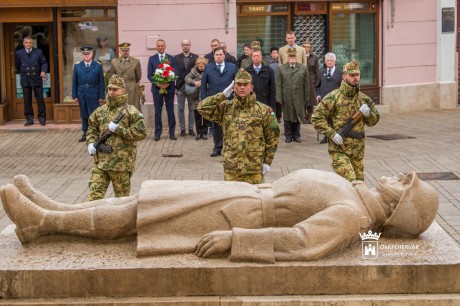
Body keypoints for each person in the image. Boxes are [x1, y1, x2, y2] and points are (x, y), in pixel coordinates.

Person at [1, 169, 439, 264]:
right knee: (141, 198)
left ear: (398, 208)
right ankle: (57, 209)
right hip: (237, 193)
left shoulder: (351, 215)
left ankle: (44, 223)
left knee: (139, 214)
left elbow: (303, 243)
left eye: (405, 183)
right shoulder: (356, 195)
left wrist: (238, 240)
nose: (396, 176)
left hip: (239, 212)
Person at [198, 68, 280, 183]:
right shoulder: (225, 108)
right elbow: (202, 108)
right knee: (232, 200)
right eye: (239, 84)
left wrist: (267, 161)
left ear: (251, 87)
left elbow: (273, 137)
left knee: (255, 200)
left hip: (254, 168)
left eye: (245, 84)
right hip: (232, 168)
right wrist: (222, 95)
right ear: (234, 87)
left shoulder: (263, 110)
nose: (242, 87)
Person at [312, 60, 380, 182]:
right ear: (344, 76)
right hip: (339, 148)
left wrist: (368, 114)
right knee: (350, 180)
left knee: (359, 184)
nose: (355, 78)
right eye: (352, 75)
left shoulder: (364, 99)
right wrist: (332, 134)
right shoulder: (333, 97)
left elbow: (373, 121)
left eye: (357, 75)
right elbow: (316, 118)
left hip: (358, 150)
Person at [86, 74, 147, 201]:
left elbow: (141, 132)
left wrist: (119, 130)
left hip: (121, 165)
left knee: (121, 201)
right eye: (109, 89)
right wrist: (91, 143)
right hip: (101, 163)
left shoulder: (131, 111)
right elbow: (92, 128)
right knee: (93, 198)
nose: (111, 92)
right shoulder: (100, 110)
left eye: (115, 89)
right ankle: (93, 220)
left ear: (123, 91)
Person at [200, 47, 237, 157]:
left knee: (230, 125)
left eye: (221, 54)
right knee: (215, 126)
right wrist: (205, 100)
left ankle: (230, 148)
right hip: (215, 102)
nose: (219, 56)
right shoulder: (209, 68)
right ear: (214, 56)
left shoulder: (232, 67)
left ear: (224, 55)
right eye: (217, 55)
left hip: (229, 101)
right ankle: (217, 148)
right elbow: (203, 85)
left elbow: (237, 83)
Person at [276, 48, 310, 143]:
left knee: (297, 115)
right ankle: (288, 135)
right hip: (286, 96)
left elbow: (307, 84)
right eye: (290, 56)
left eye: (293, 56)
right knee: (287, 116)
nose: (292, 57)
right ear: (287, 57)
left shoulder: (303, 68)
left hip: (299, 96)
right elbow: (278, 84)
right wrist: (279, 97)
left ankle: (296, 135)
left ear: (296, 56)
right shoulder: (281, 68)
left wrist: (306, 97)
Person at [71, 46, 105, 142]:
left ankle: (95, 133)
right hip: (82, 93)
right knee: (84, 114)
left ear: (92, 54)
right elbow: (74, 82)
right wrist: (74, 95)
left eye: (88, 53)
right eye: (84, 54)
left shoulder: (98, 66)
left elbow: (101, 82)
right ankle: (85, 133)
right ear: (82, 55)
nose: (86, 55)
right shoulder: (77, 66)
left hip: (94, 93)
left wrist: (101, 95)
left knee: (94, 114)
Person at [147, 39, 177, 141]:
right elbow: (149, 75)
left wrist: (167, 82)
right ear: (156, 47)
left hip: (169, 88)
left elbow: (175, 73)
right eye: (158, 46)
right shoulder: (152, 59)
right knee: (157, 111)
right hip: (156, 89)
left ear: (165, 46)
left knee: (170, 111)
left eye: (162, 46)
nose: (160, 47)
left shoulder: (171, 58)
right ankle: (157, 133)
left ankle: (172, 133)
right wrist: (158, 83)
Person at [15, 36, 48, 126]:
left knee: (40, 99)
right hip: (25, 78)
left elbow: (44, 63)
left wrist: (43, 71)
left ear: (32, 43)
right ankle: (29, 119)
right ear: (23, 43)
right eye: (27, 42)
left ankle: (42, 118)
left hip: (36, 78)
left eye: (30, 42)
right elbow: (17, 66)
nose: (28, 44)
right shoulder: (19, 53)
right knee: (27, 100)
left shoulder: (38, 52)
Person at [174, 39, 199, 137]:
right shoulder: (176, 58)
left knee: (191, 108)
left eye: (187, 44)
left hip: (191, 87)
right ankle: (182, 129)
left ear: (190, 45)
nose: (185, 46)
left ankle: (191, 128)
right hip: (180, 86)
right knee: (180, 108)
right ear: (181, 46)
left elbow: (198, 71)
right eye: (183, 45)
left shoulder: (195, 57)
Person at [108, 42, 142, 112]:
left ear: (129, 51)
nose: (125, 52)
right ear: (120, 51)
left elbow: (138, 76)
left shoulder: (135, 61)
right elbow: (111, 77)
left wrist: (131, 83)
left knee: (132, 110)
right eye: (123, 50)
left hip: (132, 89)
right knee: (119, 110)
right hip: (118, 89)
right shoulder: (114, 62)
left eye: (126, 50)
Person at [185, 57, 209, 140]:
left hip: (205, 95)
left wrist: (203, 83)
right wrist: (194, 82)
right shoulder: (193, 71)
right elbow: (186, 78)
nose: (200, 68)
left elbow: (212, 81)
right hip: (195, 97)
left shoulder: (208, 71)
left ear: (205, 65)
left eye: (202, 66)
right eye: (199, 66)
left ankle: (205, 133)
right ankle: (199, 133)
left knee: (205, 116)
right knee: (197, 116)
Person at [303, 41, 320, 124]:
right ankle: (303, 117)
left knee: (311, 99)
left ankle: (309, 117)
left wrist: (317, 80)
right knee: (303, 99)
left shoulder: (314, 57)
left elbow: (317, 69)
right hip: (302, 79)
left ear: (310, 48)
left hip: (311, 79)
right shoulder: (300, 56)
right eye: (305, 47)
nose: (306, 48)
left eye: (308, 47)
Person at [268, 47, 282, 123]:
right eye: (273, 53)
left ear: (278, 54)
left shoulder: (280, 63)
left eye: (276, 53)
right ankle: (272, 116)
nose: (274, 54)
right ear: (271, 54)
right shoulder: (268, 63)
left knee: (278, 101)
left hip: (279, 84)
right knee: (272, 100)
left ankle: (279, 116)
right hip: (271, 84)